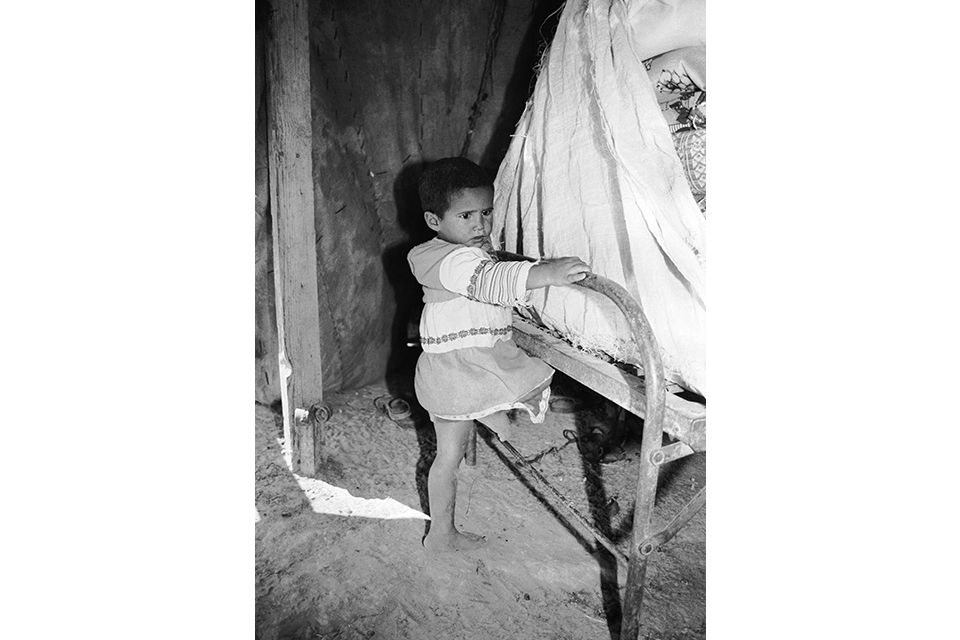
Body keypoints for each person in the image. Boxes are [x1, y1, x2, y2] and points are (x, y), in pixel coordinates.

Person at [408, 157, 591, 552]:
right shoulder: (453, 261)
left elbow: (490, 272)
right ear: (433, 220)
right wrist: (547, 273)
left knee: (451, 451)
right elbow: (490, 280)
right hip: (460, 369)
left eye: (487, 212)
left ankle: (487, 410)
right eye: (467, 215)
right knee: (449, 457)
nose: (480, 225)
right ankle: (441, 534)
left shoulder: (452, 250)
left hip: (464, 364)